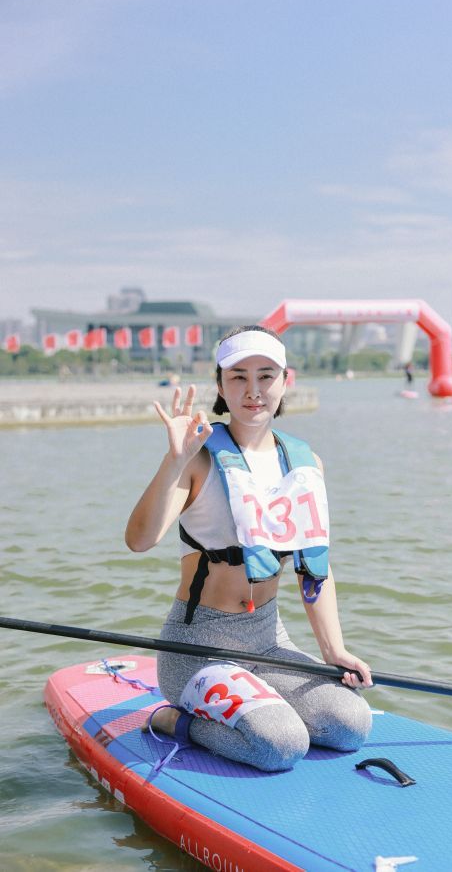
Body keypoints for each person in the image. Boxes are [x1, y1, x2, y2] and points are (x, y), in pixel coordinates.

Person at [125, 325, 372, 772]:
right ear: (220, 385)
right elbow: (139, 540)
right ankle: (170, 718)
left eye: (266, 375)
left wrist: (334, 651)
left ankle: (262, 701)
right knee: (279, 745)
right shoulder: (198, 457)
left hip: (268, 641)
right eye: (238, 377)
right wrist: (173, 461)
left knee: (350, 724)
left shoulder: (305, 463)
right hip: (197, 647)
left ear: (285, 381)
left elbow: (314, 569)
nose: (253, 390)